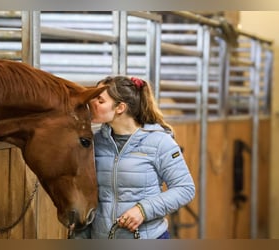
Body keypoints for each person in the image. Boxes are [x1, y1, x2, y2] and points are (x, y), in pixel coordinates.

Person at [77, 75, 195, 239]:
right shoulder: (95, 143)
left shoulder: (159, 142)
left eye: (100, 100)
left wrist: (143, 210)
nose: (91, 102)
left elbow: (185, 189)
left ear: (120, 108)